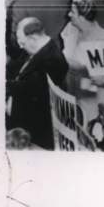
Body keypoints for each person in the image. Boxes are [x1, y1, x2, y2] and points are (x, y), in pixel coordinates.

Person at [7, 17, 70, 150]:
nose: (20, 46)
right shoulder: (37, 49)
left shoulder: (53, 59)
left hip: (34, 135)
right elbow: (17, 67)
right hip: (24, 127)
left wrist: (5, 86)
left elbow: (31, 90)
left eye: (22, 42)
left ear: (33, 38)